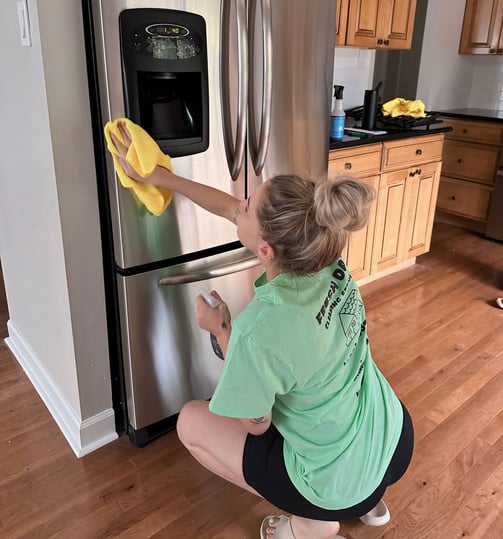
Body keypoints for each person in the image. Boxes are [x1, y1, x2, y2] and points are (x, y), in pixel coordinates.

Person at [110, 122, 414, 539]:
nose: (239, 205)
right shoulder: (326, 259)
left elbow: (256, 423)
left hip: (335, 482)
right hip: (392, 436)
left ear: (265, 250)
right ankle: (369, 495)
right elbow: (230, 208)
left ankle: (312, 523)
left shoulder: (258, 330)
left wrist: (221, 332)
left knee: (190, 423)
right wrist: (160, 177)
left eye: (247, 205)